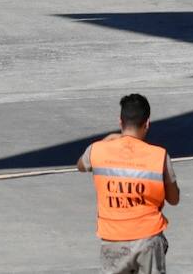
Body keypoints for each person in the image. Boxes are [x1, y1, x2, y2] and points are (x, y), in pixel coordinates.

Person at [77, 93, 180, 274]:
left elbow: (81, 165)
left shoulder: (97, 150)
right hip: (148, 239)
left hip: (113, 238)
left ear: (120, 121)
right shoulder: (159, 156)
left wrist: (106, 140)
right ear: (147, 123)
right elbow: (174, 199)